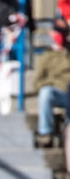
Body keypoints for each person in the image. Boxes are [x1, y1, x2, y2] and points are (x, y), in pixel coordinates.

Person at [33, 19, 70, 147]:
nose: (62, 36)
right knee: (45, 93)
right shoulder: (47, 56)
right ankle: (45, 133)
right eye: (59, 32)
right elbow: (38, 83)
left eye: (64, 32)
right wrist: (55, 82)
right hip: (58, 91)